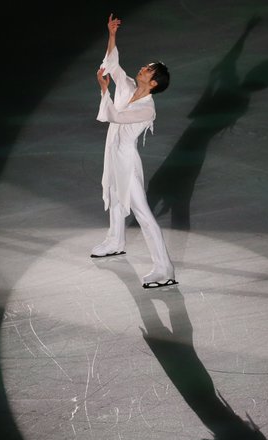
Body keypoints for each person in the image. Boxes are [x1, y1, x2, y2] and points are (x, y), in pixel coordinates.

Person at [91, 14, 177, 289]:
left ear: (153, 83)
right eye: (145, 66)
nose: (143, 68)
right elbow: (113, 66)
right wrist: (112, 34)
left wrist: (104, 92)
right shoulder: (128, 86)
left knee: (142, 213)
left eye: (148, 69)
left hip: (127, 159)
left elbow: (115, 117)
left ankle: (165, 269)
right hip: (112, 152)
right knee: (115, 198)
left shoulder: (147, 109)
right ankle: (116, 241)